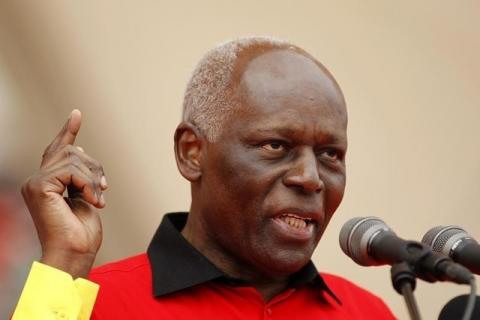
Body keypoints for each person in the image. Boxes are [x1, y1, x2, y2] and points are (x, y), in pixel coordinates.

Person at [13, 37, 396, 319]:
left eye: (331, 154)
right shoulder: (92, 303)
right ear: (192, 152)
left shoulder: (368, 312)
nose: (310, 178)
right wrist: (66, 258)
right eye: (277, 146)